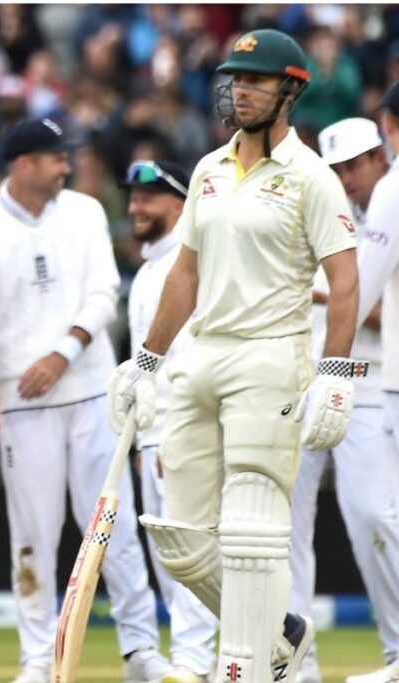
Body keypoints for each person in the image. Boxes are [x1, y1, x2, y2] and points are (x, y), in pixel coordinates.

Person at [107, 29, 361, 683]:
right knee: (179, 537)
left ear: (290, 90)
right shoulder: (208, 169)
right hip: (202, 354)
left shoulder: (312, 177)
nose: (240, 90)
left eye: (256, 80)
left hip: (270, 356)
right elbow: (184, 274)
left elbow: (345, 280)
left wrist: (335, 373)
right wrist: (146, 361)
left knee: (251, 532)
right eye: (236, 79)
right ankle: (278, 634)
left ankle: (242, 665)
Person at [0, 117, 169, 683]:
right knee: (32, 536)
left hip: (91, 394)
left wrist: (62, 354)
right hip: (23, 404)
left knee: (113, 529)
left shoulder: (84, 211)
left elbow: (105, 292)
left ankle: (140, 651)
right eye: (57, 157)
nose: (67, 166)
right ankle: (38, 658)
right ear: (24, 163)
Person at [288, 117, 399, 683]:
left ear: (381, 156)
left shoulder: (391, 209)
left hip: (368, 382)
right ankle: (293, 663)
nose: (346, 178)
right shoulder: (315, 216)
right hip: (304, 383)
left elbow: (376, 311)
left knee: (374, 517)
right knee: (286, 528)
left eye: (354, 165)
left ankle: (397, 653)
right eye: (335, 170)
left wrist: (324, 293)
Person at [123, 159, 218, 682]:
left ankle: (193, 661)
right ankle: (192, 658)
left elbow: (194, 356)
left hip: (185, 430)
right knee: (169, 557)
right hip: (153, 436)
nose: (135, 207)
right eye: (133, 198)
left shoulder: (190, 265)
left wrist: (176, 433)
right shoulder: (147, 270)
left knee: (191, 548)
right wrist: (144, 439)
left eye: (149, 198)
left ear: (181, 205)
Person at [341, 81, 399, 683]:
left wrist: (331, 362)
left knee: (380, 515)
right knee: (373, 519)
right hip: (375, 381)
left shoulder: (392, 189)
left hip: (382, 380)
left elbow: (360, 294)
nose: (347, 178)